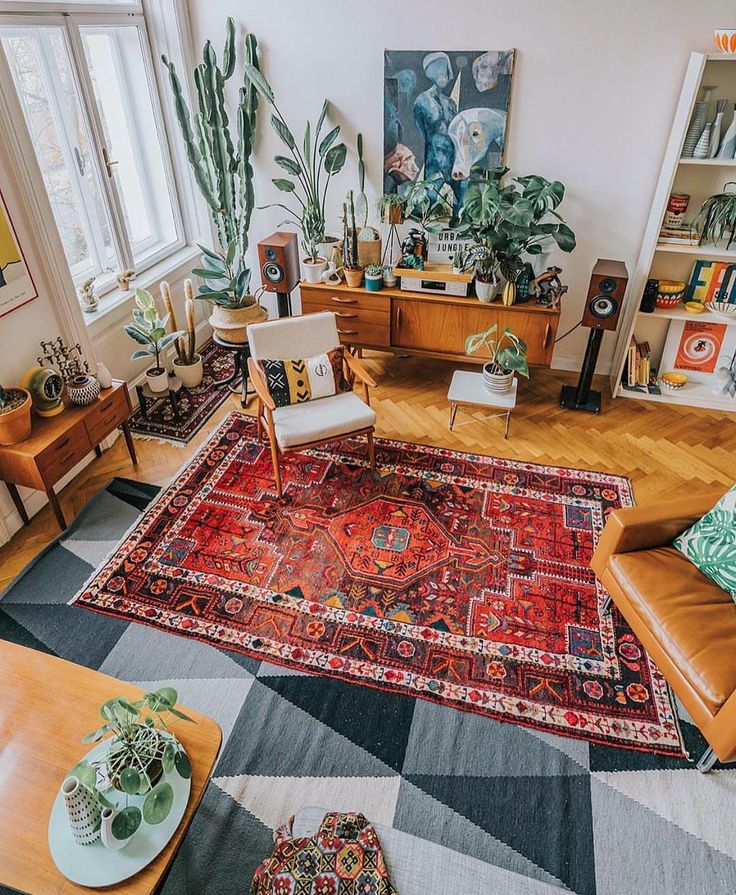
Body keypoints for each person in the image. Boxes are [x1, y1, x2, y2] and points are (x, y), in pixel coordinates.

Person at [412, 52, 462, 207]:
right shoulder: (422, 100)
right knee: (428, 202)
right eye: (440, 70)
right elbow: (421, 130)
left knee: (462, 199)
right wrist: (434, 145)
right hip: (434, 158)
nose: (444, 75)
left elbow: (456, 130)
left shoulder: (451, 103)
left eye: (446, 71)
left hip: (452, 157)